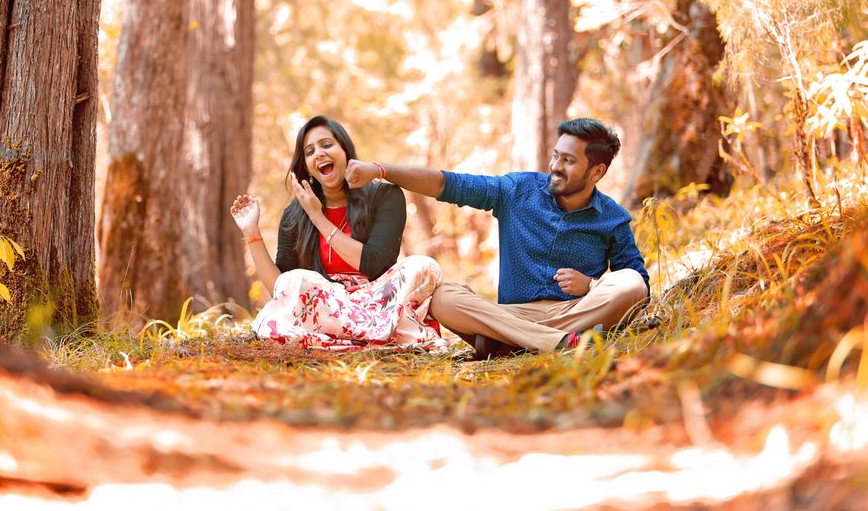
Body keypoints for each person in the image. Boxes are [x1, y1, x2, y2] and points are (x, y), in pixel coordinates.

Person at [345, 118, 649, 359]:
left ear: (596, 171)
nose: (556, 166)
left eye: (568, 161)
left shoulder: (613, 217)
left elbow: (640, 286)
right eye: (556, 156)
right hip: (511, 314)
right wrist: (380, 170)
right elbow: (449, 184)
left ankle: (513, 342)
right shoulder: (518, 190)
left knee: (630, 283)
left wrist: (591, 285)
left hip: (577, 310)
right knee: (442, 297)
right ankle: (556, 342)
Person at [231, 115, 445, 350]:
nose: (319, 154)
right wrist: (252, 232)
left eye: (326, 145)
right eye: (310, 151)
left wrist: (318, 218)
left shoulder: (384, 196)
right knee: (294, 280)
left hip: (377, 303)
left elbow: (372, 263)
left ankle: (353, 333)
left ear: (345, 151)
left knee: (422, 265)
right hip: (327, 307)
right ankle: (373, 335)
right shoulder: (295, 214)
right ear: (308, 168)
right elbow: (282, 289)